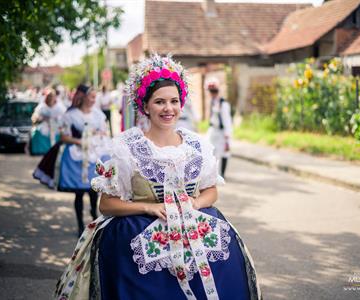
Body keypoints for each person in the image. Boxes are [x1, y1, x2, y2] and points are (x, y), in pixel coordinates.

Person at [54, 55, 260, 300]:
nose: (168, 109)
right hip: (138, 233)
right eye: (159, 102)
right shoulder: (127, 148)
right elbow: (106, 204)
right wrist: (148, 207)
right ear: (146, 106)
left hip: (195, 231)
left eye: (174, 101)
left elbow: (211, 191)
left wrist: (195, 203)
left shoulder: (197, 146)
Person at [33, 85, 107, 237]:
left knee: (94, 193)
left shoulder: (98, 115)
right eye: (91, 97)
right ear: (83, 97)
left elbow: (103, 132)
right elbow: (64, 137)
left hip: (94, 154)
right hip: (76, 155)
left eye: (95, 97)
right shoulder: (71, 115)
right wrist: (80, 141)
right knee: (79, 193)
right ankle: (80, 224)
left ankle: (95, 221)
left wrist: (96, 136)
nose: (94, 100)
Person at [206, 78, 232, 179]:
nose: (212, 93)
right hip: (213, 129)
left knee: (224, 152)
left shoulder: (223, 104)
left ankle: (222, 174)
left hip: (222, 131)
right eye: (211, 91)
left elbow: (227, 120)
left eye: (214, 91)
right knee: (210, 151)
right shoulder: (212, 102)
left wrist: (227, 136)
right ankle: (212, 174)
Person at [29, 89, 66, 155]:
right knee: (38, 131)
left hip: (56, 125)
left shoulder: (60, 107)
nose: (51, 98)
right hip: (45, 125)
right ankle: (41, 150)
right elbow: (34, 117)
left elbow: (65, 117)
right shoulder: (42, 106)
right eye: (49, 96)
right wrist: (40, 118)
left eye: (52, 96)